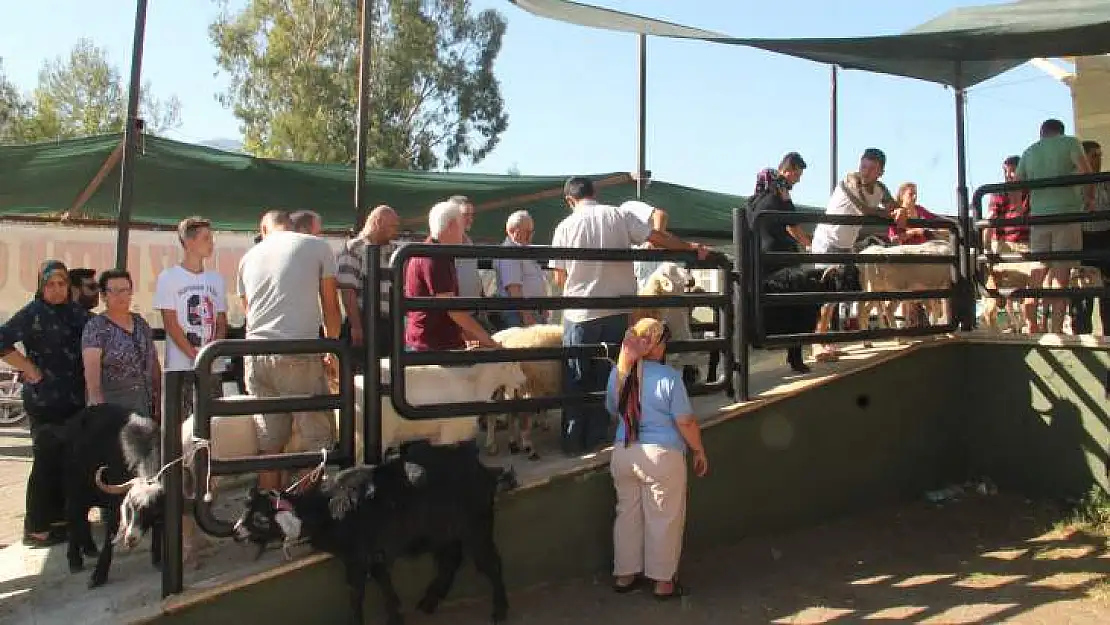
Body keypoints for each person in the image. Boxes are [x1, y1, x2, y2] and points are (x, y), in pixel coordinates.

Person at [550, 176, 709, 455]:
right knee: (611, 372)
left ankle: (574, 441)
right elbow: (656, 237)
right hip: (618, 309)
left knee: (576, 376)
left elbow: (560, 277)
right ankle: (599, 436)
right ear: (594, 193)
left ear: (569, 200)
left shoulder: (564, 226)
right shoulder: (619, 215)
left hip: (581, 312)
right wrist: (689, 247)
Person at [238, 209, 342, 491]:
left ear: (264, 228)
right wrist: (332, 352)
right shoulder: (317, 247)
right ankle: (303, 519)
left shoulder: (248, 258)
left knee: (270, 445)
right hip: (297, 351)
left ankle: (269, 515)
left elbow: (248, 310)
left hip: (256, 356)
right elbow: (331, 307)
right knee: (317, 443)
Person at [606, 317, 708, 600]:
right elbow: (685, 421)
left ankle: (624, 574)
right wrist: (699, 449)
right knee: (663, 517)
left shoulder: (619, 372)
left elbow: (613, 409)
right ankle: (663, 581)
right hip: (662, 455)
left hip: (624, 452)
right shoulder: (669, 378)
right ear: (656, 345)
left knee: (627, 514)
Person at [0, 261, 90, 547]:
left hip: (75, 400)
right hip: (44, 401)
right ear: (41, 285)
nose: (56, 289)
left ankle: (62, 523)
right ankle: (37, 528)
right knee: (45, 463)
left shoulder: (78, 314)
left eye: (62, 284)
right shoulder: (32, 314)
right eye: (50, 284)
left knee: (70, 462)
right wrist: (29, 368)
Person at [810, 148, 905, 362]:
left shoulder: (880, 188)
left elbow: (893, 206)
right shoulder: (849, 180)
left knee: (836, 296)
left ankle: (826, 341)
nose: (866, 172)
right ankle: (816, 343)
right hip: (827, 241)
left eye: (872, 169)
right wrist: (890, 214)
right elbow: (863, 209)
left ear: (881, 172)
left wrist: (898, 210)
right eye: (864, 166)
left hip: (845, 245)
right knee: (826, 294)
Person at [1016, 118, 1093, 333]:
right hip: (1066, 215)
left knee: (1037, 273)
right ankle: (1057, 330)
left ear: (1042, 132)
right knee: (1061, 276)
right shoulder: (1070, 143)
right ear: (1061, 131)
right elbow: (1086, 172)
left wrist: (1019, 210)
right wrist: (1088, 198)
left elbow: (1015, 182)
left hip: (1039, 218)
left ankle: (1031, 325)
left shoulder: (1030, 151)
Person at [154, 217, 228, 416]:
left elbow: (221, 321)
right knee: (185, 423)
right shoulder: (168, 277)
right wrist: (195, 355)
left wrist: (212, 353)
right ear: (188, 242)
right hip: (182, 365)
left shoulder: (216, 279)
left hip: (211, 365)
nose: (211, 243)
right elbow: (171, 323)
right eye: (206, 238)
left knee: (214, 420)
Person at [404, 201, 499, 352]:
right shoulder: (435, 258)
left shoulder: (434, 253)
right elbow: (452, 308)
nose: (463, 234)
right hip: (433, 346)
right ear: (451, 226)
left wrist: (467, 335)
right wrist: (488, 340)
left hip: (431, 341)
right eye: (461, 227)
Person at [748, 153, 811, 372]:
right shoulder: (781, 194)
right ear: (789, 170)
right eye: (798, 173)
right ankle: (795, 357)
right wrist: (810, 246)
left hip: (757, 259)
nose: (799, 179)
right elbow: (793, 225)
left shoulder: (758, 195)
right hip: (779, 257)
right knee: (797, 302)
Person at [82, 269, 161, 419]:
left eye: (124, 290)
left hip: (144, 405)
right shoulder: (96, 327)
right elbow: (92, 370)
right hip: (113, 408)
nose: (120, 296)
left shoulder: (140, 323)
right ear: (104, 296)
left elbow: (153, 361)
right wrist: (96, 404)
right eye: (113, 291)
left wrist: (159, 397)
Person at [336, 205, 401, 365]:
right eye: (392, 226)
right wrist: (356, 326)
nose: (396, 231)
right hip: (364, 318)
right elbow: (347, 289)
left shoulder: (393, 250)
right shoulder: (354, 248)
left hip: (389, 323)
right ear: (378, 222)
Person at [1071, 140, 1110, 335]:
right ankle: (1081, 335)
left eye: (1100, 155)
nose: (1099, 159)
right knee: (1082, 291)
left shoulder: (1106, 180)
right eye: (1094, 155)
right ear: (1083, 158)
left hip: (1105, 238)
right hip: (1082, 240)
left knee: (1107, 291)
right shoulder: (1071, 183)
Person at [494, 210, 547, 328]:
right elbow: (514, 289)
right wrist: (526, 316)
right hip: (520, 315)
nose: (530, 236)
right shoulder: (509, 252)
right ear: (514, 232)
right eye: (527, 232)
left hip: (529, 312)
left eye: (531, 232)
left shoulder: (520, 250)